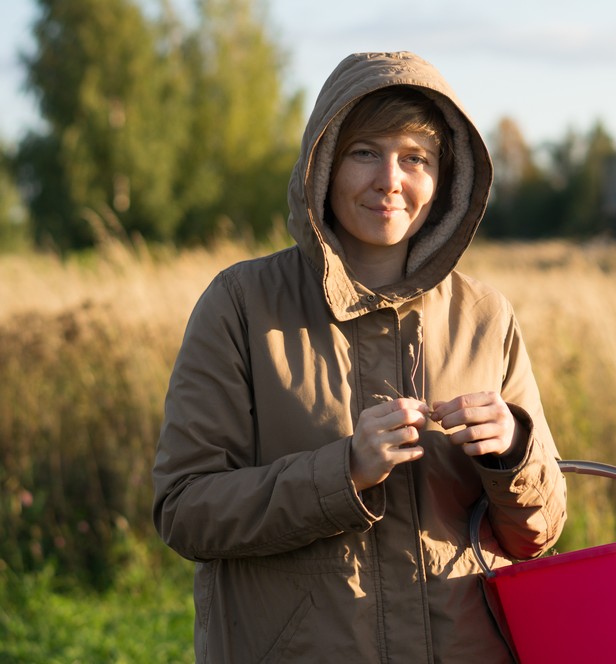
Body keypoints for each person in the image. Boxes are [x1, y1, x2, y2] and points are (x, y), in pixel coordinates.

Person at [152, 51, 567, 662]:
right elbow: (185, 509)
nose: (390, 181)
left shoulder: (486, 316)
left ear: (444, 178)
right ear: (323, 165)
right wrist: (341, 471)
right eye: (365, 152)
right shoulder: (240, 306)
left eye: (416, 158)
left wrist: (513, 451)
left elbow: (539, 531)